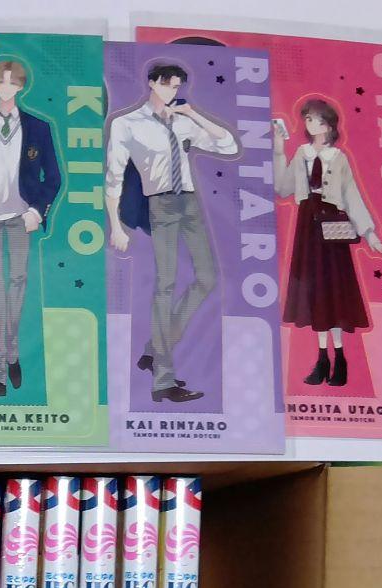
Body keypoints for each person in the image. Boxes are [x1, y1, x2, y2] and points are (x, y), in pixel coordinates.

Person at [106, 63, 239, 403]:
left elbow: (228, 146)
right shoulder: (127, 124)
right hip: (161, 204)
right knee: (165, 286)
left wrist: (192, 113)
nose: (171, 91)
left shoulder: (183, 122)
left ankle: (154, 349)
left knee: (208, 278)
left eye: (177, 86)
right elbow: (114, 176)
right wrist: (115, 225)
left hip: (189, 202)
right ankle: (163, 381)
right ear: (152, 83)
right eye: (167, 84)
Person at [274, 98, 382, 387]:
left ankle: (341, 359)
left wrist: (369, 232)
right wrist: (278, 149)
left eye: (317, 120)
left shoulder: (339, 157)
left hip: (332, 225)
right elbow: (282, 188)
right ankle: (322, 360)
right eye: (308, 119)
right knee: (316, 293)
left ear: (329, 125)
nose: (311, 124)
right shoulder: (302, 153)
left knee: (333, 292)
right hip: (307, 226)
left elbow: (351, 194)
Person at [0, 60, 62, 399]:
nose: (6, 88)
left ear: (21, 86)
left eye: (12, 83)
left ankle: (11, 351)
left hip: (20, 217)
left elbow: (52, 177)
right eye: (1, 82)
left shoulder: (38, 127)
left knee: (16, 285)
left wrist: (36, 211)